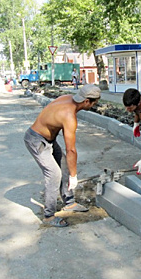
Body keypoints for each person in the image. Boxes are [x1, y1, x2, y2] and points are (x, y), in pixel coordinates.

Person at [23, 84, 101, 227]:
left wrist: (70, 171)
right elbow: (71, 149)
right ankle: (49, 216)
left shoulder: (67, 98)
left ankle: (69, 203)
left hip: (48, 140)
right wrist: (74, 175)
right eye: (94, 103)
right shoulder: (69, 116)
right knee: (54, 174)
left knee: (64, 165)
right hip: (36, 140)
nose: (94, 105)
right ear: (86, 101)